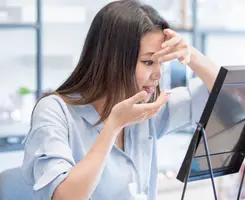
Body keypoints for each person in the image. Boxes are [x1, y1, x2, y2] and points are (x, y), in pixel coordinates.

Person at [21, 0, 219, 200]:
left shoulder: (145, 108)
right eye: (148, 62)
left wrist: (190, 54)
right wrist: (113, 126)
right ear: (112, 60)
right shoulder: (55, 112)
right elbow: (63, 197)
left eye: (161, 62)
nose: (158, 74)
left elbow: (225, 95)